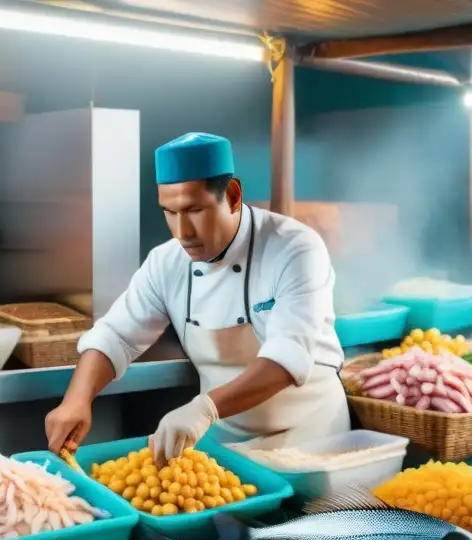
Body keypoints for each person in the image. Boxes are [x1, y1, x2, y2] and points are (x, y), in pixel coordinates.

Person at [45, 132, 348, 464]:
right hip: (224, 443)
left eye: (194, 210)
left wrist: (205, 407)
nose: (182, 232)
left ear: (232, 196)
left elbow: (287, 355)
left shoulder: (294, 247)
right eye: (170, 212)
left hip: (310, 439)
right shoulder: (166, 261)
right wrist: (77, 399)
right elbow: (115, 335)